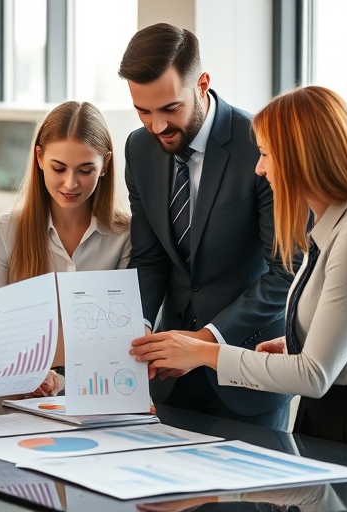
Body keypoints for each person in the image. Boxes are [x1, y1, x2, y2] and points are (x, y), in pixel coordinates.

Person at [132, 85, 347, 464]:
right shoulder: (333, 222)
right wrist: (295, 342)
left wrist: (205, 352)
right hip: (332, 417)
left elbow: (313, 375)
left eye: (266, 154)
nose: (259, 168)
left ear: (303, 157)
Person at [118, 23, 298, 429]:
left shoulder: (260, 143)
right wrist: (141, 331)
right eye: (142, 111)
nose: (156, 126)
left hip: (247, 376)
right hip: (167, 379)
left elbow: (285, 271)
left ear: (202, 83)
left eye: (169, 108)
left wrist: (205, 342)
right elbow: (149, 258)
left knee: (245, 497)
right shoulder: (139, 147)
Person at [0, 101, 131, 395]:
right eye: (58, 168)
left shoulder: (125, 237)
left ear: (106, 165)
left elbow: (122, 339)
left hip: (96, 397)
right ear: (39, 157)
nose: (70, 183)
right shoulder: (5, 232)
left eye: (85, 170)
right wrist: (31, 374)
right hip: (15, 401)